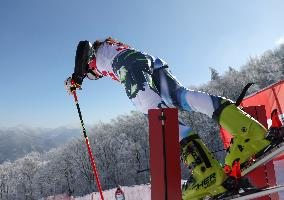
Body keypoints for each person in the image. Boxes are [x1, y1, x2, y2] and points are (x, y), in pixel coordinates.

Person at [64, 37, 275, 199]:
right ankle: (247, 130)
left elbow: (83, 47)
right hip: (147, 60)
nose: (96, 76)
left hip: (128, 65)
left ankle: (207, 173)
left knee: (156, 112)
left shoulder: (96, 54)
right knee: (180, 97)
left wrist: (77, 76)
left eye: (93, 75)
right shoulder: (112, 48)